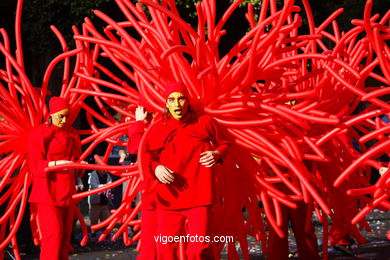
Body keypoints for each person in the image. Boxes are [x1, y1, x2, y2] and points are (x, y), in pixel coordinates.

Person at [143, 82, 230, 259]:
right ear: (166, 103)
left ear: (188, 101)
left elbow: (226, 144)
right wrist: (156, 168)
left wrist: (217, 153)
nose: (177, 104)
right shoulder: (159, 127)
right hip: (169, 199)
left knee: (198, 250)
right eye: (172, 99)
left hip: (200, 196)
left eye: (181, 98)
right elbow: (146, 156)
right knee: (166, 251)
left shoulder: (205, 122)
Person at [27, 96, 84, 260]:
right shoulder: (39, 133)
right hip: (47, 193)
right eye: (61, 116)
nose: (65, 120)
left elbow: (76, 160)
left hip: (67, 192)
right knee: (53, 237)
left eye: (67, 116)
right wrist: (57, 164)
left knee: (65, 239)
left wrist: (80, 165)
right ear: (52, 114)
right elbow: (35, 165)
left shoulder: (71, 133)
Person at [87, 169, 113, 238]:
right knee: (94, 219)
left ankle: (106, 234)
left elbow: (111, 184)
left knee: (105, 219)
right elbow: (94, 187)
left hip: (104, 201)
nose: (104, 171)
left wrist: (107, 186)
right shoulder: (93, 175)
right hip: (95, 202)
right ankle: (93, 234)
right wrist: (106, 186)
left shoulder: (107, 175)